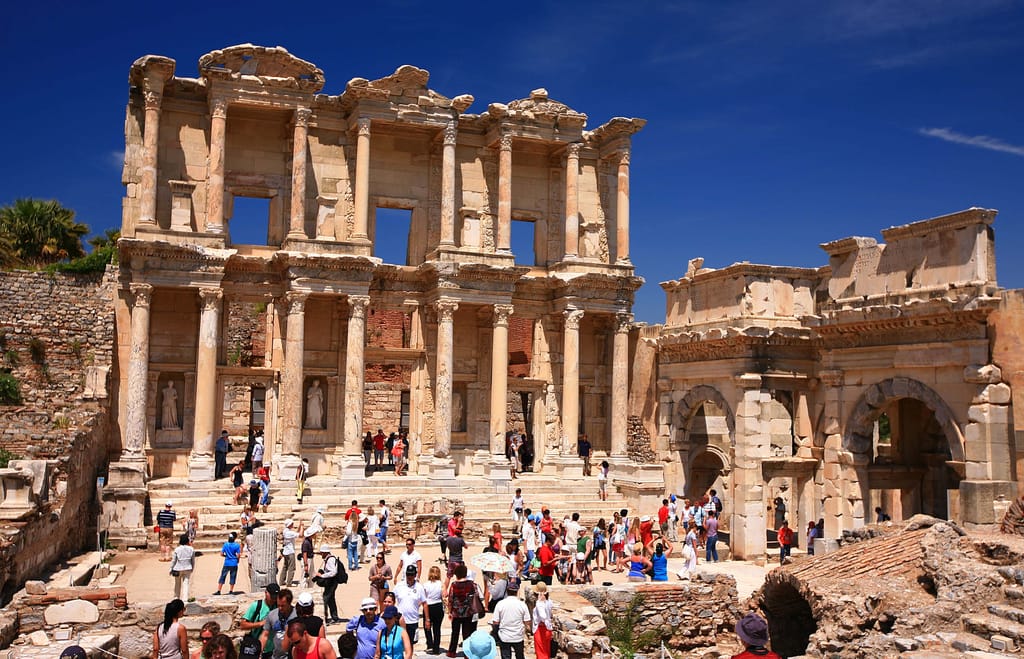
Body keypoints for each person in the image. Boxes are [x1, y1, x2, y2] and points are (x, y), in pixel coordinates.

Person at [447, 563, 481, 657]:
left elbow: (450, 599)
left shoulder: (454, 585)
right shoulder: (472, 584)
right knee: (467, 634)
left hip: (456, 613)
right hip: (468, 612)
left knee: (455, 633)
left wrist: (450, 612)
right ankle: (467, 653)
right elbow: (476, 595)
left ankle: (452, 652)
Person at [491, 580, 530, 659]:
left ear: (507, 591)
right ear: (517, 591)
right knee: (520, 656)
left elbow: (495, 621)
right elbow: (527, 621)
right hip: (518, 636)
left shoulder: (500, 604)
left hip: (504, 636)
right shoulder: (522, 604)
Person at [393, 564, 429, 646]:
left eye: (411, 575)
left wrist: (427, 620)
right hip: (400, 620)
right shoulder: (399, 586)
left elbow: (424, 603)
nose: (409, 577)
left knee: (411, 644)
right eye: (408, 574)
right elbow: (391, 598)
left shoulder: (419, 587)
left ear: (415, 575)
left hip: (413, 621)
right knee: (398, 643)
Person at [240, 583, 280, 652]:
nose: (274, 599)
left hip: (274, 650)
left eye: (276, 597)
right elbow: (242, 625)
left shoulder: (279, 607)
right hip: (257, 648)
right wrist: (260, 623)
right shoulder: (256, 606)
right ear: (266, 593)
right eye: (272, 596)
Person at [261, 588, 298, 659]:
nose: (280, 608)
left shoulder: (297, 615)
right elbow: (265, 635)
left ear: (289, 603)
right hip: (276, 656)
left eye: (283, 606)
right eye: (278, 605)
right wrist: (260, 652)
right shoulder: (272, 615)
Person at [317, 545, 344, 624]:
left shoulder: (330, 560)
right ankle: (335, 618)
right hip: (330, 582)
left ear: (325, 553)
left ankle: (324, 618)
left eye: (322, 553)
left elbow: (333, 572)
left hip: (332, 582)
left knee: (325, 599)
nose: (321, 555)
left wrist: (322, 576)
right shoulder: (329, 559)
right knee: (331, 600)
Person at [423, 565, 445, 654]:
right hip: (438, 605)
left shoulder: (425, 584)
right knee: (437, 628)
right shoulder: (441, 584)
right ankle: (436, 648)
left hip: (429, 606)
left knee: (427, 627)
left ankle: (430, 643)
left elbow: (424, 597)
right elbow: (444, 595)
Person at [170, 533, 195, 601]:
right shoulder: (191, 549)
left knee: (177, 584)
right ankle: (185, 599)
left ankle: (176, 598)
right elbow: (193, 560)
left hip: (178, 568)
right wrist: (192, 568)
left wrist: (171, 568)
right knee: (186, 584)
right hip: (188, 568)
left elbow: (174, 560)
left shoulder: (177, 549)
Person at [531, 581, 553, 659]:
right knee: (546, 651)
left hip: (541, 629)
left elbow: (543, 616)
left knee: (540, 652)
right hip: (548, 628)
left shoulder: (539, 603)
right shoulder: (549, 601)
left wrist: (539, 602)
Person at [280, 519, 301, 587]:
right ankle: (289, 583)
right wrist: (302, 527)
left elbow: (295, 533)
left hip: (286, 552)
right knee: (291, 568)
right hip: (290, 552)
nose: (293, 524)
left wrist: (300, 526)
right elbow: (300, 535)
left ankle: (281, 581)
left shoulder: (285, 531)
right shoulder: (289, 533)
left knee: (285, 567)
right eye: (292, 523)